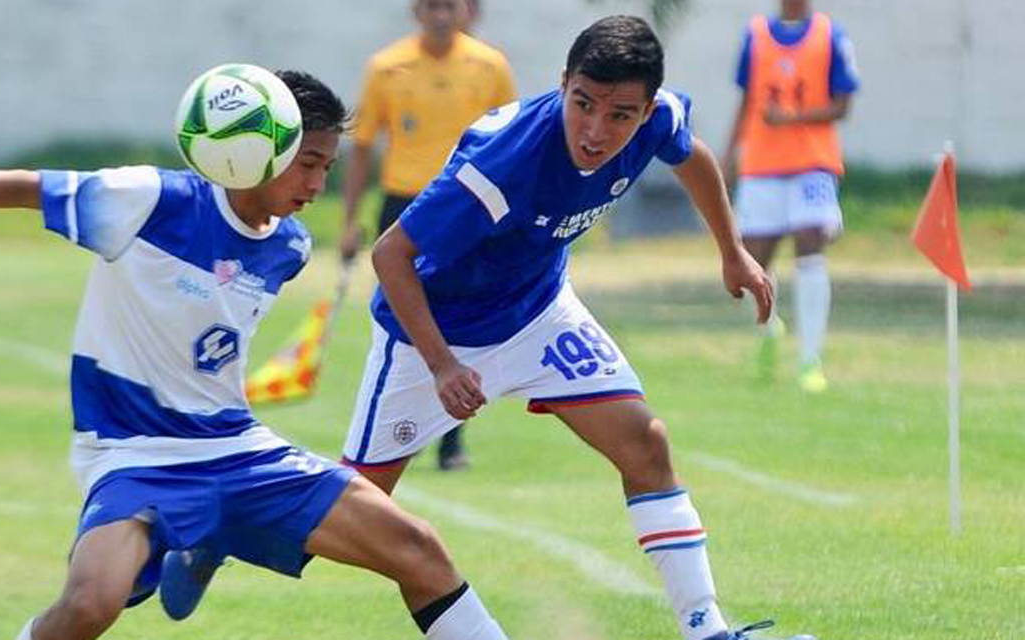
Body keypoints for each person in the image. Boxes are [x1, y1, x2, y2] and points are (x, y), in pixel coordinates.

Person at [0, 70, 511, 640]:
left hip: (234, 447)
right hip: (132, 452)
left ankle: (206, 533)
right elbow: (25, 186)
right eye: (308, 163)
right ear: (257, 149)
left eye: (327, 167)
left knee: (419, 549)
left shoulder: (289, 248)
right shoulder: (149, 200)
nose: (317, 183)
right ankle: (200, 534)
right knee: (91, 605)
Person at [340, 16, 814, 640]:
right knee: (352, 512)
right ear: (563, 83)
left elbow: (693, 156)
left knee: (646, 444)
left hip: (538, 312)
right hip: (436, 329)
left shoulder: (659, 118)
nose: (595, 130)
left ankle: (709, 631)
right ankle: (218, 524)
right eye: (582, 104)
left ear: (645, 111)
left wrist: (732, 250)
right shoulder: (505, 163)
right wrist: (441, 364)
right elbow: (390, 257)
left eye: (619, 114)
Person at [340, 0, 516, 471]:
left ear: (467, 11)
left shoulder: (490, 66)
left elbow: (513, 145)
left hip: (466, 207)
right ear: (416, 10)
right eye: (431, 5)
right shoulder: (386, 67)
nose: (440, 14)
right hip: (402, 209)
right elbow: (361, 148)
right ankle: (392, 432)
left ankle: (451, 439)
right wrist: (349, 221)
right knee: (400, 324)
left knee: (456, 321)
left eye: (449, 5)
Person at [722, 0, 860, 393]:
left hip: (812, 163)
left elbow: (842, 105)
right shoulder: (756, 35)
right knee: (754, 262)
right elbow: (747, 100)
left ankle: (809, 360)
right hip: (762, 165)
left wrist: (792, 119)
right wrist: (730, 153)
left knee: (810, 244)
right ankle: (770, 330)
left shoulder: (830, 35)